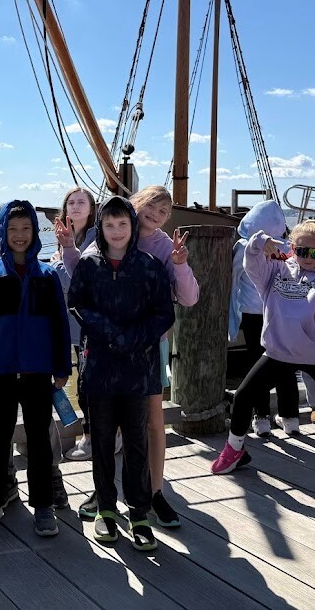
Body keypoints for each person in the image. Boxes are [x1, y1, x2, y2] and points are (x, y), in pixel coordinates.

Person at [211, 220, 315, 501]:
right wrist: (258, 242)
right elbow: (251, 263)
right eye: (302, 250)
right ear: (292, 247)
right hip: (279, 352)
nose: (308, 257)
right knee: (243, 397)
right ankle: (235, 449)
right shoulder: (274, 271)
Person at [68, 196, 175, 551]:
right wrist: (111, 334)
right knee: (100, 441)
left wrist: (135, 339)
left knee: (136, 443)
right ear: (101, 227)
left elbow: (164, 312)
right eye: (109, 225)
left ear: (132, 226)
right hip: (99, 369)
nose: (116, 231)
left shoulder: (149, 266)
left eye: (123, 224)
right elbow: (77, 304)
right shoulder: (88, 264)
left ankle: (139, 512)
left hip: (137, 371)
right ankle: (106, 508)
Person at [0, 201, 71, 537]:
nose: (20, 235)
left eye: (26, 229)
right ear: (3, 231)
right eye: (13, 229)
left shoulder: (48, 274)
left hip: (39, 370)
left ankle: (43, 506)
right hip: (0, 369)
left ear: (35, 233)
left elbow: (60, 324)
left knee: (40, 439)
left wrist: (62, 366)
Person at [126, 185, 197, 529]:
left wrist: (180, 265)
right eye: (151, 206)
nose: (156, 215)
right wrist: (66, 248)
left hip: (152, 343)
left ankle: (155, 491)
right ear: (135, 204)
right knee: (112, 421)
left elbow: (189, 297)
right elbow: (81, 271)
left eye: (164, 211)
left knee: (154, 420)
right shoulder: (114, 230)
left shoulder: (167, 247)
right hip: (114, 344)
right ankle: (110, 491)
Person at [227, 200, 301, 435]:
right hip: (282, 314)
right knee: (285, 364)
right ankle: (290, 417)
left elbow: (234, 279)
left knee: (256, 364)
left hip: (252, 313)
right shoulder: (287, 247)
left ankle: (261, 418)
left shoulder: (243, 247)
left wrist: (231, 315)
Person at [54, 186, 98, 461]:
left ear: (92, 209)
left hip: (89, 325)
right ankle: (95, 434)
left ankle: (94, 437)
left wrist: (58, 264)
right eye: (71, 202)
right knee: (79, 379)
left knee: (88, 383)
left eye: (83, 202)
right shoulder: (64, 237)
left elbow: (78, 280)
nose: (76, 206)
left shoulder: (96, 237)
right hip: (70, 322)